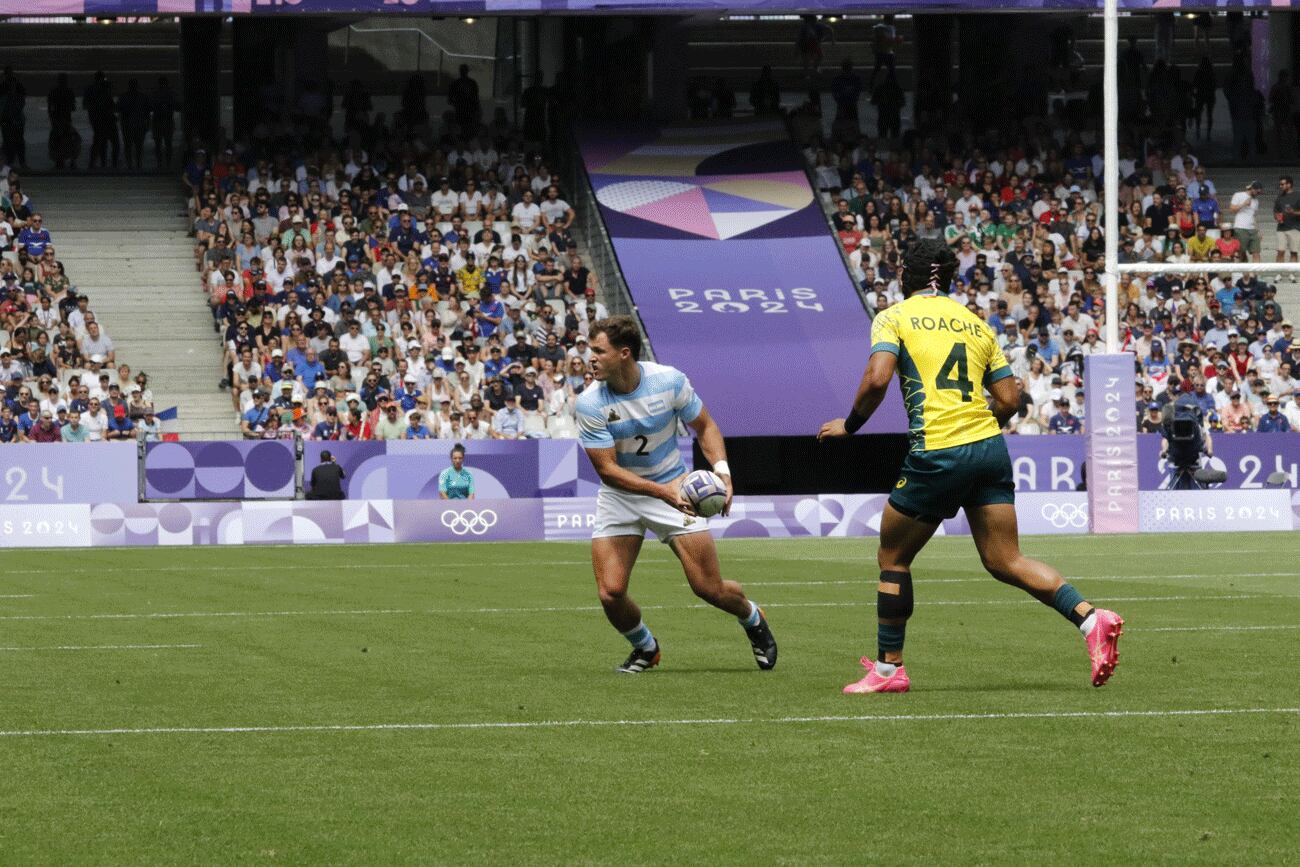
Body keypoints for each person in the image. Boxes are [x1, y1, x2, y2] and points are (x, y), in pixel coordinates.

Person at [817, 239, 1122, 694]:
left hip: (939, 450)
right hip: (990, 450)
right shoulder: (977, 324)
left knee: (893, 557)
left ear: (905, 274)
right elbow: (1010, 399)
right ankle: (1091, 619)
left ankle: (888, 670)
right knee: (1005, 559)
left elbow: (878, 377)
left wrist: (851, 425)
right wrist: (977, 430)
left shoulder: (894, 316)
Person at [576, 316, 777, 674]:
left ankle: (751, 616)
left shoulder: (668, 381)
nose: (589, 358)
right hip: (621, 495)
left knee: (708, 588)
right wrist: (660, 492)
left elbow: (706, 427)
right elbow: (607, 470)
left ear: (624, 354)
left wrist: (723, 474)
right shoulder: (590, 403)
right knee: (610, 592)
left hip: (675, 486)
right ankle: (646, 648)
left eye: (597, 351)